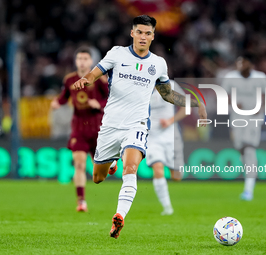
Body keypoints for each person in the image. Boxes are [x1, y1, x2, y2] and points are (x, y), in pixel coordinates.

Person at [73, 15, 207, 239]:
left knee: (131, 169)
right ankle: (112, 161)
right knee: (97, 177)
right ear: (132, 33)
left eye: (148, 33)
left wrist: (195, 103)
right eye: (140, 32)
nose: (143, 37)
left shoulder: (158, 64)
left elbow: (167, 95)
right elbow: (95, 73)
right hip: (110, 126)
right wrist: (86, 80)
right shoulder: (117, 53)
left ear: (153, 36)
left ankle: (119, 216)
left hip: (137, 125)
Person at [50, 47, 116, 212]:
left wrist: (99, 105)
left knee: (99, 173)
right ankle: (81, 202)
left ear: (91, 61)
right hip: (78, 128)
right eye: (79, 58)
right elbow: (65, 97)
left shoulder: (99, 80)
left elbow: (112, 100)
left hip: (97, 128)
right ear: (76, 61)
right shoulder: (69, 79)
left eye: (85, 59)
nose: (82, 62)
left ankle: (111, 161)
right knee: (79, 165)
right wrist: (57, 102)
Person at [222, 53, 266, 201]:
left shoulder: (261, 77)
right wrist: (233, 103)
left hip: (254, 118)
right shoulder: (230, 77)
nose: (240, 66)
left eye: (243, 63)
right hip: (237, 118)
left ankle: (248, 189)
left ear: (250, 63)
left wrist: (260, 107)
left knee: (249, 149)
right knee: (241, 149)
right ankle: (248, 175)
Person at [146, 80, 186, 216]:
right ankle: (167, 207)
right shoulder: (142, 85)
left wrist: (170, 121)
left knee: (177, 176)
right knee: (158, 169)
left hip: (171, 135)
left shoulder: (172, 86)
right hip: (152, 136)